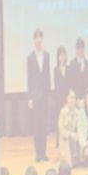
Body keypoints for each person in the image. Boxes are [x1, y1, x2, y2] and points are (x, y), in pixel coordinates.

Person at [26, 29, 52, 162]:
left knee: (44, 125)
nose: (38, 40)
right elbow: (29, 78)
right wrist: (30, 97)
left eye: (40, 38)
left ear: (42, 39)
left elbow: (47, 75)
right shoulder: (30, 57)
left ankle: (44, 152)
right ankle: (38, 153)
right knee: (37, 125)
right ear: (34, 40)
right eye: (36, 38)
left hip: (45, 95)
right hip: (35, 96)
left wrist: (49, 93)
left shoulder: (47, 55)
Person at [50, 45, 70, 152]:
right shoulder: (55, 69)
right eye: (60, 55)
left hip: (68, 99)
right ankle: (58, 141)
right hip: (58, 99)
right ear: (58, 57)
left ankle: (67, 139)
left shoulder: (69, 68)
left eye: (63, 55)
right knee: (60, 121)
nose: (62, 57)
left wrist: (67, 99)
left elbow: (70, 83)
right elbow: (57, 85)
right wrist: (62, 100)